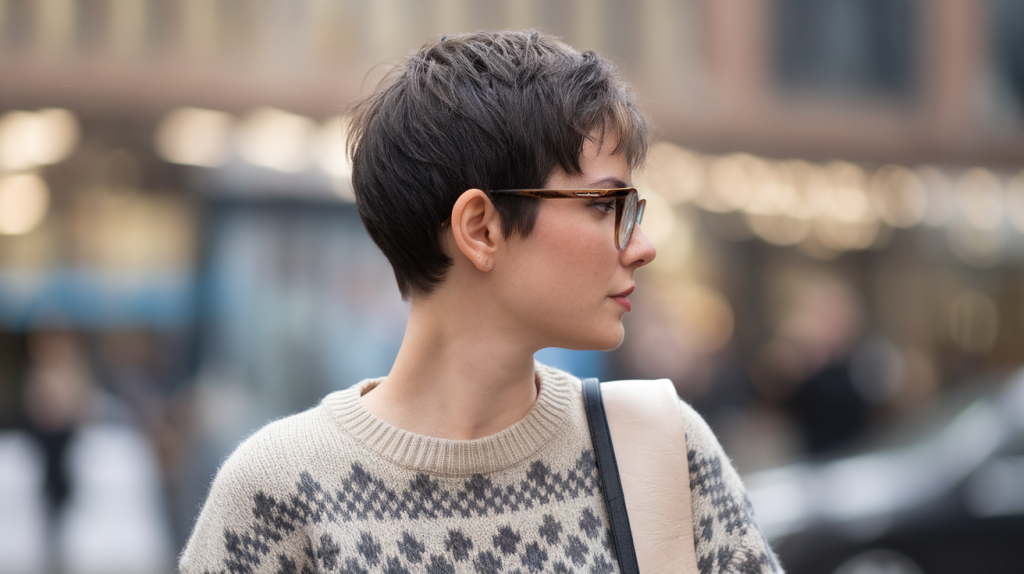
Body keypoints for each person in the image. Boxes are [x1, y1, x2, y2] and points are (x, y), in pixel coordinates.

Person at [180, 30, 781, 574]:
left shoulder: (661, 450)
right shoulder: (279, 492)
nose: (642, 248)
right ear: (481, 229)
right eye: (604, 205)